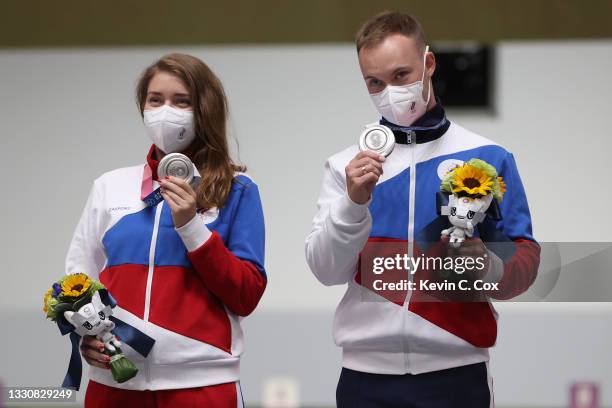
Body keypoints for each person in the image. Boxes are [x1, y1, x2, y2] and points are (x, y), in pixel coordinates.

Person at [305, 11, 540, 407]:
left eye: (401, 76)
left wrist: (486, 266)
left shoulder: (488, 157)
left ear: (428, 64)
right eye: (375, 83)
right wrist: (353, 203)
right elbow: (326, 270)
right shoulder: (347, 166)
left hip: (457, 374)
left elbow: (526, 264)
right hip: (365, 377)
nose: (390, 92)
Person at [65, 53, 266, 407]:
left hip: (202, 384)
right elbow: (79, 276)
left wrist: (191, 226)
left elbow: (246, 295)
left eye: (181, 101)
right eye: (155, 100)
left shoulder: (238, 189)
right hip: (114, 381)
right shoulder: (110, 186)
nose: (164, 111)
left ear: (203, 108)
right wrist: (87, 334)